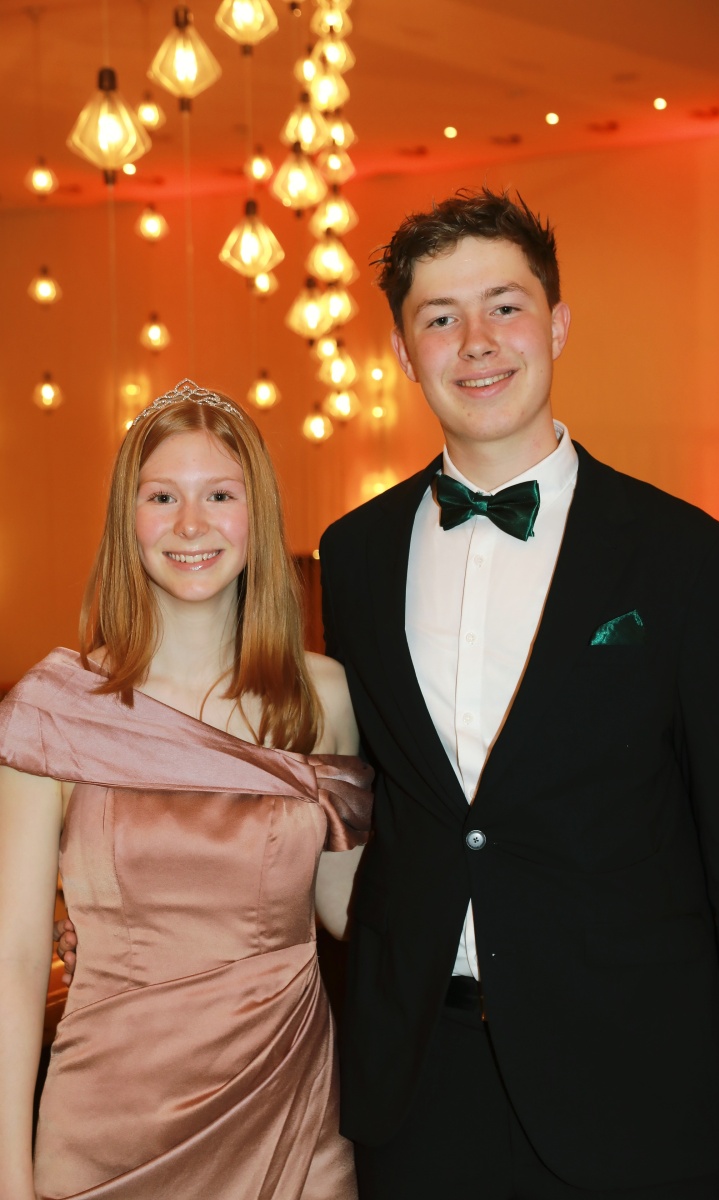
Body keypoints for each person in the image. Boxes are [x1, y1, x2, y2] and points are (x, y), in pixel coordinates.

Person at [318, 190, 719, 1200]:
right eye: (439, 317)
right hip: (417, 1098)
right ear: (403, 353)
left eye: (505, 306)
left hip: (634, 1097)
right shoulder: (353, 557)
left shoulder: (679, 557)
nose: (476, 342)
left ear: (557, 324)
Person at [0, 380, 372, 1200]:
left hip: (291, 1121)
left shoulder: (324, 697)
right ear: (127, 519)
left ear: (256, 516)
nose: (191, 524)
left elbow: (352, 908)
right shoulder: (50, 711)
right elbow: (15, 959)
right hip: (108, 1132)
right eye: (162, 496)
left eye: (220, 496)